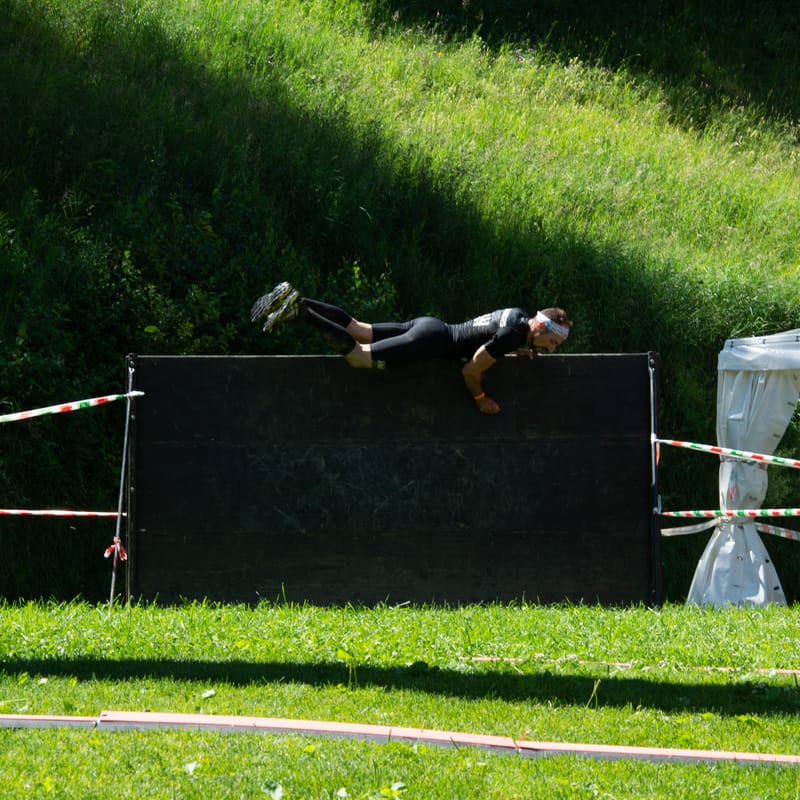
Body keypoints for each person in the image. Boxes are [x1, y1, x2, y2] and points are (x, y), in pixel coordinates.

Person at [251, 281, 572, 415]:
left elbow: (492, 336)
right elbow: (472, 367)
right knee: (359, 358)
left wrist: (518, 351)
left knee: (358, 328)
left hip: (431, 325)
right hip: (430, 342)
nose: (552, 348)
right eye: (553, 342)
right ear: (541, 327)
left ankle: (296, 296)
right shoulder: (516, 334)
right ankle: (300, 312)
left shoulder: (517, 317)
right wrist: (481, 397)